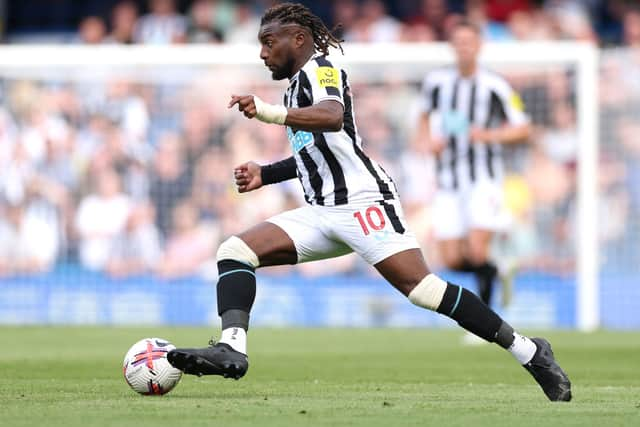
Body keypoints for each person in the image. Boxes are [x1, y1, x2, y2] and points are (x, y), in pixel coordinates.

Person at [167, 3, 571, 402]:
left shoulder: (322, 68)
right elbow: (317, 153)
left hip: (363, 203)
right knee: (235, 251)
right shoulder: (295, 86)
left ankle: (531, 352)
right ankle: (232, 348)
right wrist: (265, 173)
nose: (262, 52)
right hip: (322, 211)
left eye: (269, 42)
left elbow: (330, 116)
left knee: (423, 290)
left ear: (299, 39)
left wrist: (270, 113)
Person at [413, 20, 532, 335]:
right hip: (449, 181)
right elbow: (423, 119)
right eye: (458, 42)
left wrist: (489, 135)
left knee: (477, 251)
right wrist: (428, 142)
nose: (464, 47)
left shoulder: (496, 85)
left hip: (483, 179)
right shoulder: (437, 82)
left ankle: (486, 328)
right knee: (451, 259)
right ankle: (499, 270)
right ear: (452, 46)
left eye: (469, 42)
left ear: (479, 46)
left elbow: (523, 128)